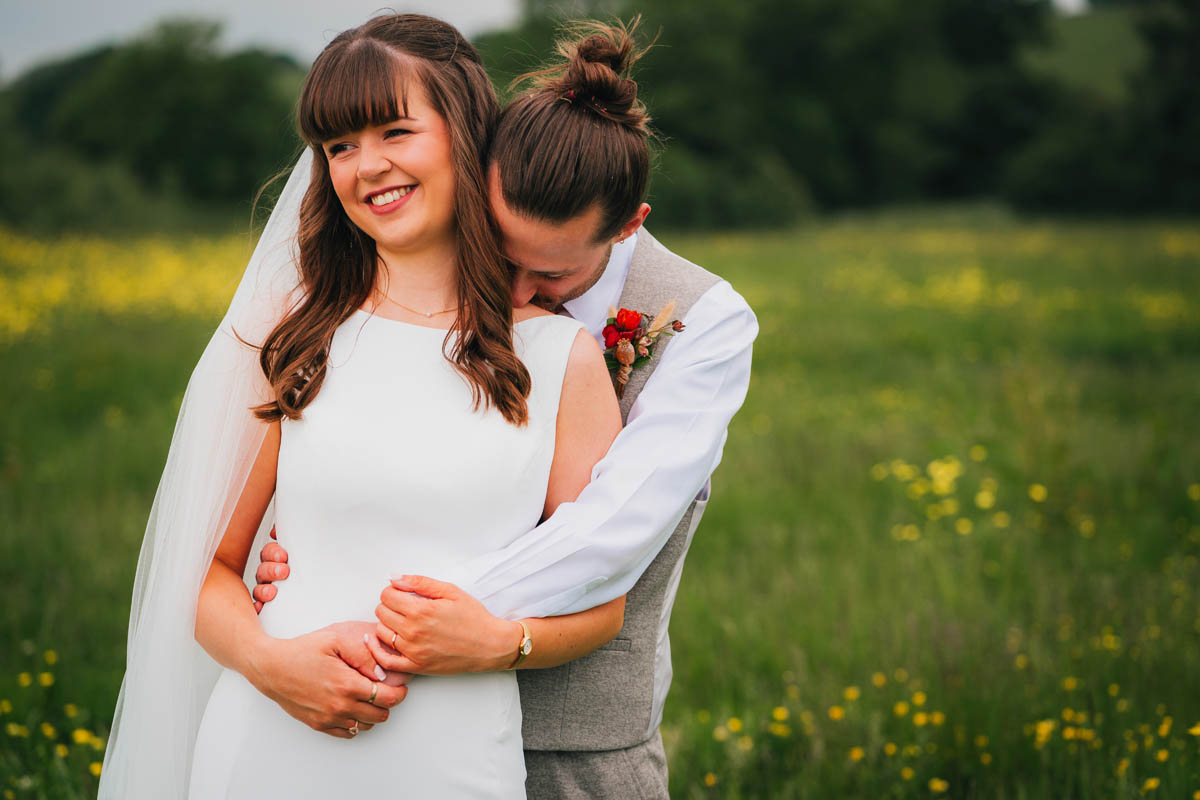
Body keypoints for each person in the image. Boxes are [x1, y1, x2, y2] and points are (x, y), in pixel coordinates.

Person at [99, 14, 636, 799]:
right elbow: (206, 571)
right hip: (263, 749)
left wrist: (494, 642)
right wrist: (272, 666)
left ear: (463, 127)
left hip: (454, 765)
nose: (366, 166)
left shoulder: (560, 357)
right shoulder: (293, 337)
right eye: (340, 146)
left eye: (394, 130)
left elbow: (603, 605)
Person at [254, 18, 758, 799]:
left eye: (550, 275)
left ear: (628, 226)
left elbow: (610, 534)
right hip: (377, 724)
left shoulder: (705, 322)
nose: (516, 294)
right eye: (499, 250)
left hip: (576, 741)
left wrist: (380, 604)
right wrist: (296, 559)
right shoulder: (364, 319)